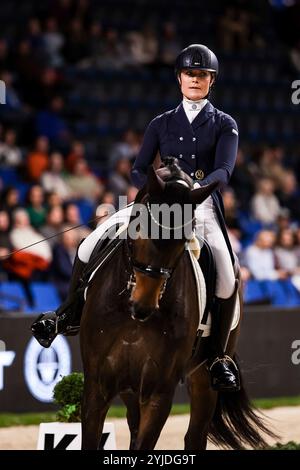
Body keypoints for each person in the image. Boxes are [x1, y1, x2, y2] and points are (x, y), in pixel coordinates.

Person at [31, 44, 240, 392]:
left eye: (201, 75)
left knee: (226, 272)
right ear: (179, 78)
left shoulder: (224, 124)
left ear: (211, 81)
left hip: (198, 203)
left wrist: (195, 189)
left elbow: (225, 170)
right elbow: (138, 168)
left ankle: (218, 356)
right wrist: (152, 191)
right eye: (190, 74)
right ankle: (65, 313)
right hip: (156, 203)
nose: (195, 79)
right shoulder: (161, 123)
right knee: (92, 241)